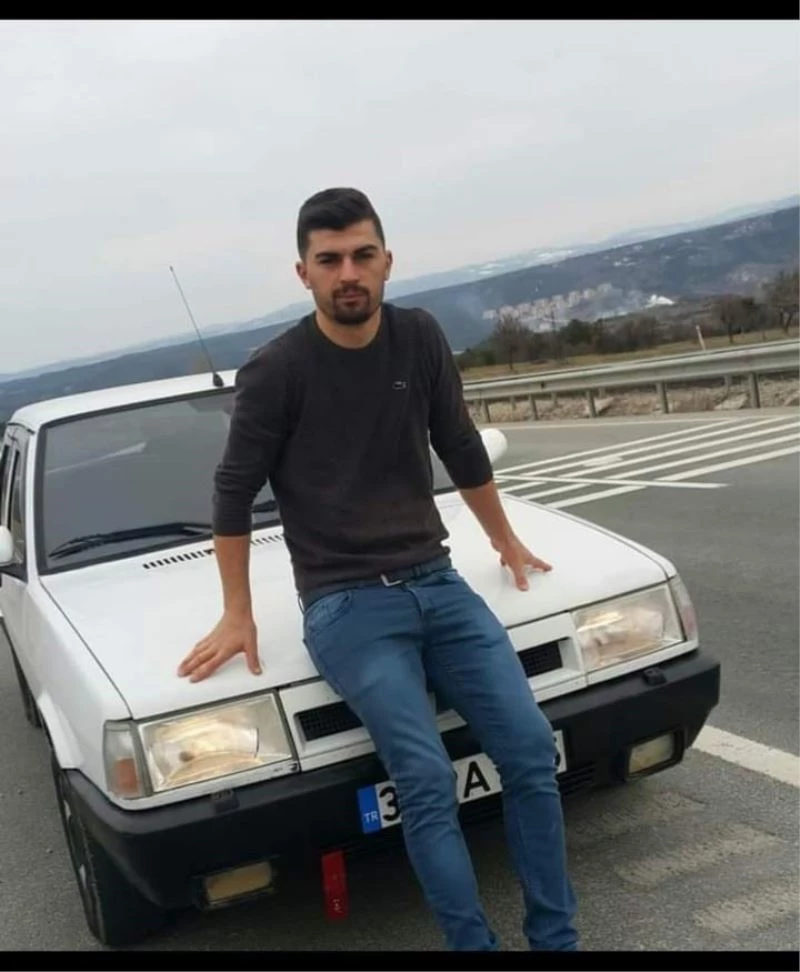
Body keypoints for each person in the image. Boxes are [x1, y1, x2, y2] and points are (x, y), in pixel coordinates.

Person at [177, 187, 579, 951]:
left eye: (362, 255)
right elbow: (232, 492)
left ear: (387, 261)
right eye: (330, 260)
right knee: (424, 777)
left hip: (438, 582)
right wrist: (237, 611)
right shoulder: (276, 371)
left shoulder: (418, 337)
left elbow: (460, 445)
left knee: (530, 749)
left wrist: (504, 539)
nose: (349, 273)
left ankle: (556, 942)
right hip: (346, 605)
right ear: (304, 273)